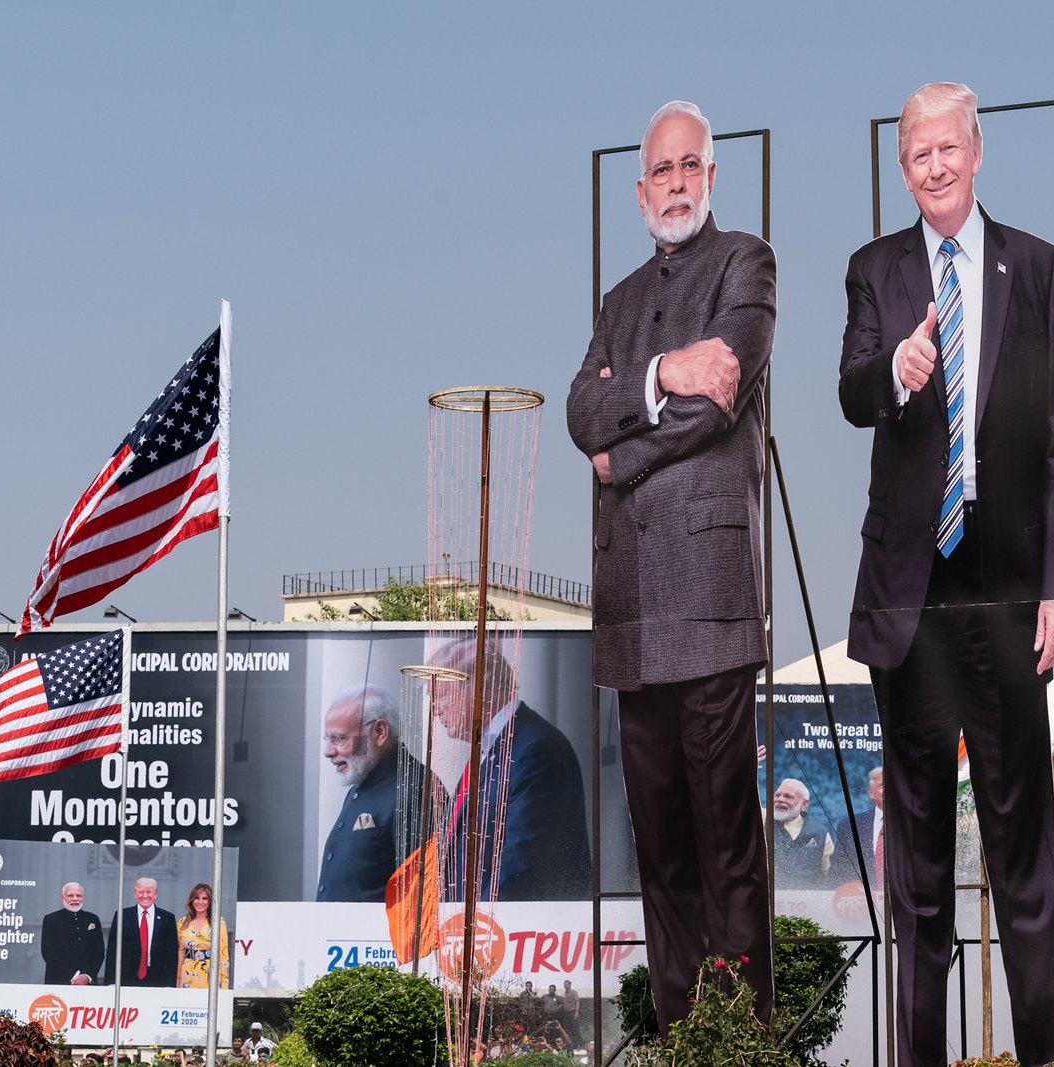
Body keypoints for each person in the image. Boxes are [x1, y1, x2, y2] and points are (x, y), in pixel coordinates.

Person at [838, 82, 1054, 1067]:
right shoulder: (873, 270)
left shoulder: (1033, 267)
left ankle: (1049, 1056)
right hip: (910, 600)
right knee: (920, 876)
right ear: (902, 166)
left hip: (1012, 590)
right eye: (915, 154)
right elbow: (850, 389)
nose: (932, 167)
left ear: (976, 152)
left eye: (946, 149)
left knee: (1024, 860)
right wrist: (892, 370)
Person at [565, 99, 776, 1030]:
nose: (677, 183)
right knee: (660, 853)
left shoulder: (747, 263)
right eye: (662, 170)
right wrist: (662, 375)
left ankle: (744, 1040)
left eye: (692, 166)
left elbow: (718, 403)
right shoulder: (615, 302)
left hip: (711, 602)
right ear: (641, 185)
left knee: (727, 841)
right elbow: (580, 412)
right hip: (630, 610)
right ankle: (687, 1040)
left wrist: (627, 430)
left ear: (712, 178)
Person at [428, 635, 591, 901]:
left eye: (442, 695)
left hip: (511, 933)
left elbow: (520, 867)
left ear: (481, 687)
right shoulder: (489, 749)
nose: (436, 710)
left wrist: (474, 933)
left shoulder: (537, 749)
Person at [316, 684, 433, 902]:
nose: (328, 752)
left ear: (379, 732)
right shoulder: (362, 783)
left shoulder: (415, 789)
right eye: (327, 739)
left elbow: (419, 900)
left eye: (339, 738)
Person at [102, 877, 180, 987]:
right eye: (141, 892)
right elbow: (112, 950)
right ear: (135, 893)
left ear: (155, 893)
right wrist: (111, 982)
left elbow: (172, 955)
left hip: (158, 979)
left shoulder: (167, 918)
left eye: (149, 892)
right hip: (126, 978)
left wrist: (170, 984)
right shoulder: (122, 915)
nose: (145, 896)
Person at [770, 779, 834, 888]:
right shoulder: (762, 821)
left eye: (788, 796)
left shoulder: (820, 834)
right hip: (767, 900)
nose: (780, 799)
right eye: (777, 795)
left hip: (807, 901)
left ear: (804, 804)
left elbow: (830, 876)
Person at [831, 767, 885, 890]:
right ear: (871, 793)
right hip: (860, 904)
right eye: (882, 786)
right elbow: (837, 872)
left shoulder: (914, 826)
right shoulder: (849, 826)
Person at [40, 881, 103, 985]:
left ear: (83, 897)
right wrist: (74, 977)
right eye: (70, 895)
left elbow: (99, 952)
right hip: (59, 981)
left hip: (87, 983)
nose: (75, 898)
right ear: (62, 898)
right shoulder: (51, 919)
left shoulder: (92, 919)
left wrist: (87, 976)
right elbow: (48, 953)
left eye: (78, 895)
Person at [176, 882, 229, 989]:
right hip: (187, 975)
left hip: (210, 974)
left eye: (204, 898)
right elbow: (180, 954)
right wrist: (177, 983)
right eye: (197, 898)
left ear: (210, 901)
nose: (200, 902)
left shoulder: (218, 923)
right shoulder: (182, 923)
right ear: (192, 900)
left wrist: (224, 986)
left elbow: (224, 956)